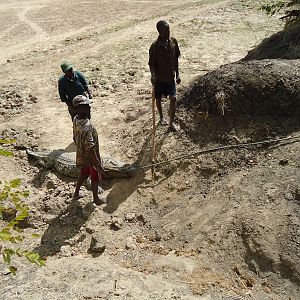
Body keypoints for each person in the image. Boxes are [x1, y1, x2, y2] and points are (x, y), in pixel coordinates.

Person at [148, 20, 181, 131]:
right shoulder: (154, 47)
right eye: (166, 31)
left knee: (173, 98)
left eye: (169, 30)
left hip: (170, 77)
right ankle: (161, 117)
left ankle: (171, 123)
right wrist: (153, 75)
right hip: (159, 78)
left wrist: (177, 75)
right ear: (160, 32)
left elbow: (176, 59)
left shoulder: (173, 42)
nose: (168, 32)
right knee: (158, 98)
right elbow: (151, 64)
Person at [72, 95, 104, 205]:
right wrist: (97, 163)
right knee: (94, 177)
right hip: (90, 158)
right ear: (78, 109)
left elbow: (74, 137)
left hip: (81, 155)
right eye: (85, 106)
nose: (89, 108)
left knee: (83, 174)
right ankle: (96, 199)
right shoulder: (87, 126)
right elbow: (90, 147)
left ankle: (76, 194)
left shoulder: (76, 119)